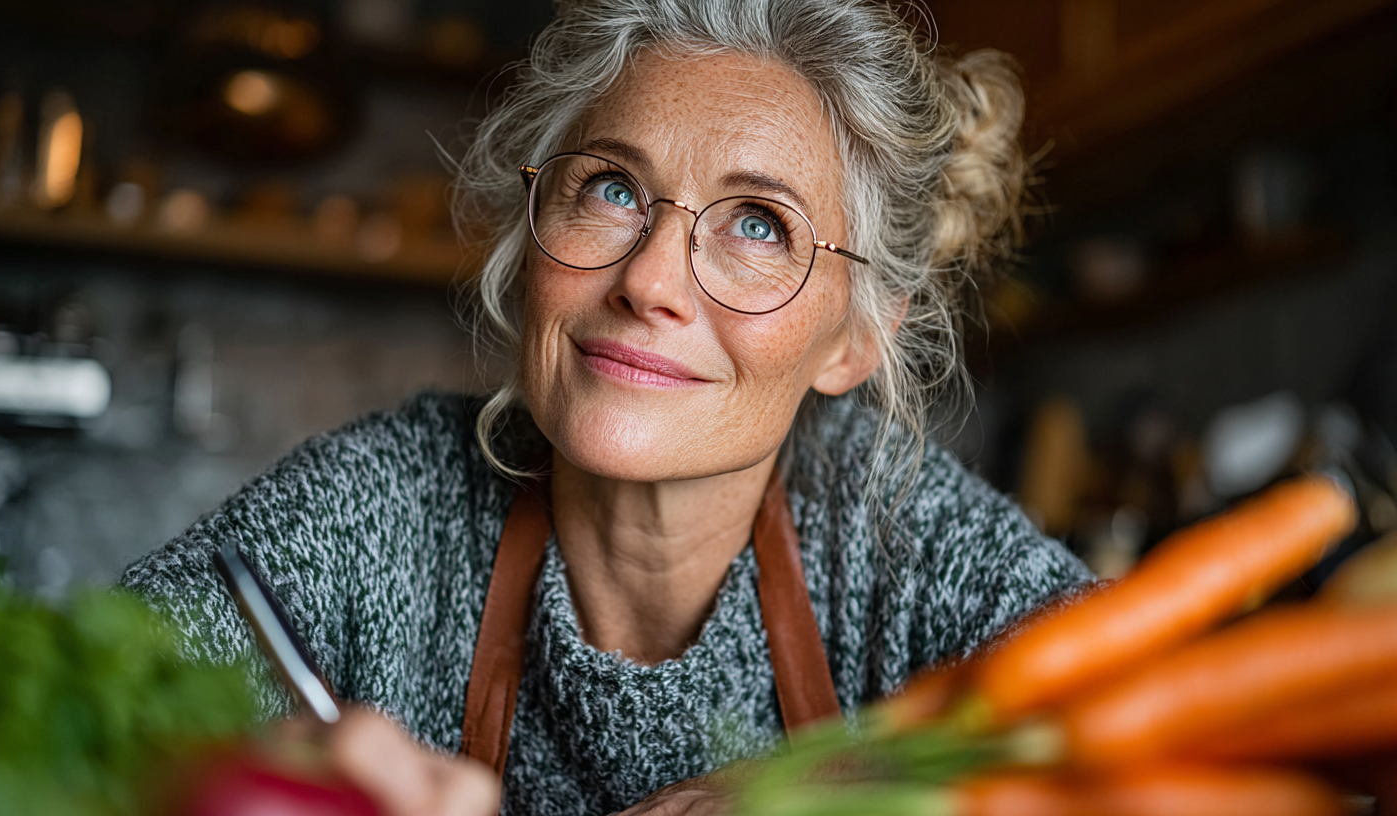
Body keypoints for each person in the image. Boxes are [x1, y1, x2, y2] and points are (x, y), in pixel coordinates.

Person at [121, 1, 1093, 814]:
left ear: (857, 339)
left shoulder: (901, 534)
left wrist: (847, 786)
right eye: (613, 190)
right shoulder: (386, 503)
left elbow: (1148, 734)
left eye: (760, 225)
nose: (649, 282)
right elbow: (70, 720)